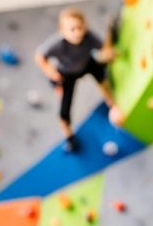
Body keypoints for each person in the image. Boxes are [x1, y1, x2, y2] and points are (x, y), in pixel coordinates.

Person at [35, 8, 124, 153]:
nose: (77, 32)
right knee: (64, 111)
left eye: (80, 28)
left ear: (85, 27)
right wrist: (49, 71)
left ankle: (112, 104)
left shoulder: (89, 37)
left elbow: (103, 50)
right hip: (67, 73)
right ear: (62, 31)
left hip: (87, 64)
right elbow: (39, 56)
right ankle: (70, 137)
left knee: (104, 81)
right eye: (72, 29)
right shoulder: (57, 44)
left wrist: (110, 50)